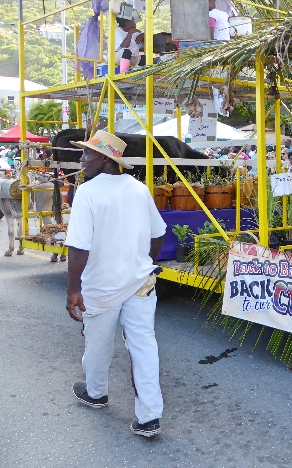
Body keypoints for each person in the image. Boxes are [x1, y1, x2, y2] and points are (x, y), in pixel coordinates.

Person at [65, 131, 167, 438]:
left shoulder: (87, 191)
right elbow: (159, 232)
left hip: (103, 286)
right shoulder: (138, 188)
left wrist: (72, 290)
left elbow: (78, 248)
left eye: (87, 154)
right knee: (144, 346)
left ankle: (96, 393)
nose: (81, 160)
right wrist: (141, 261)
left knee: (97, 343)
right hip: (140, 283)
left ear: (106, 159)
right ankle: (149, 417)